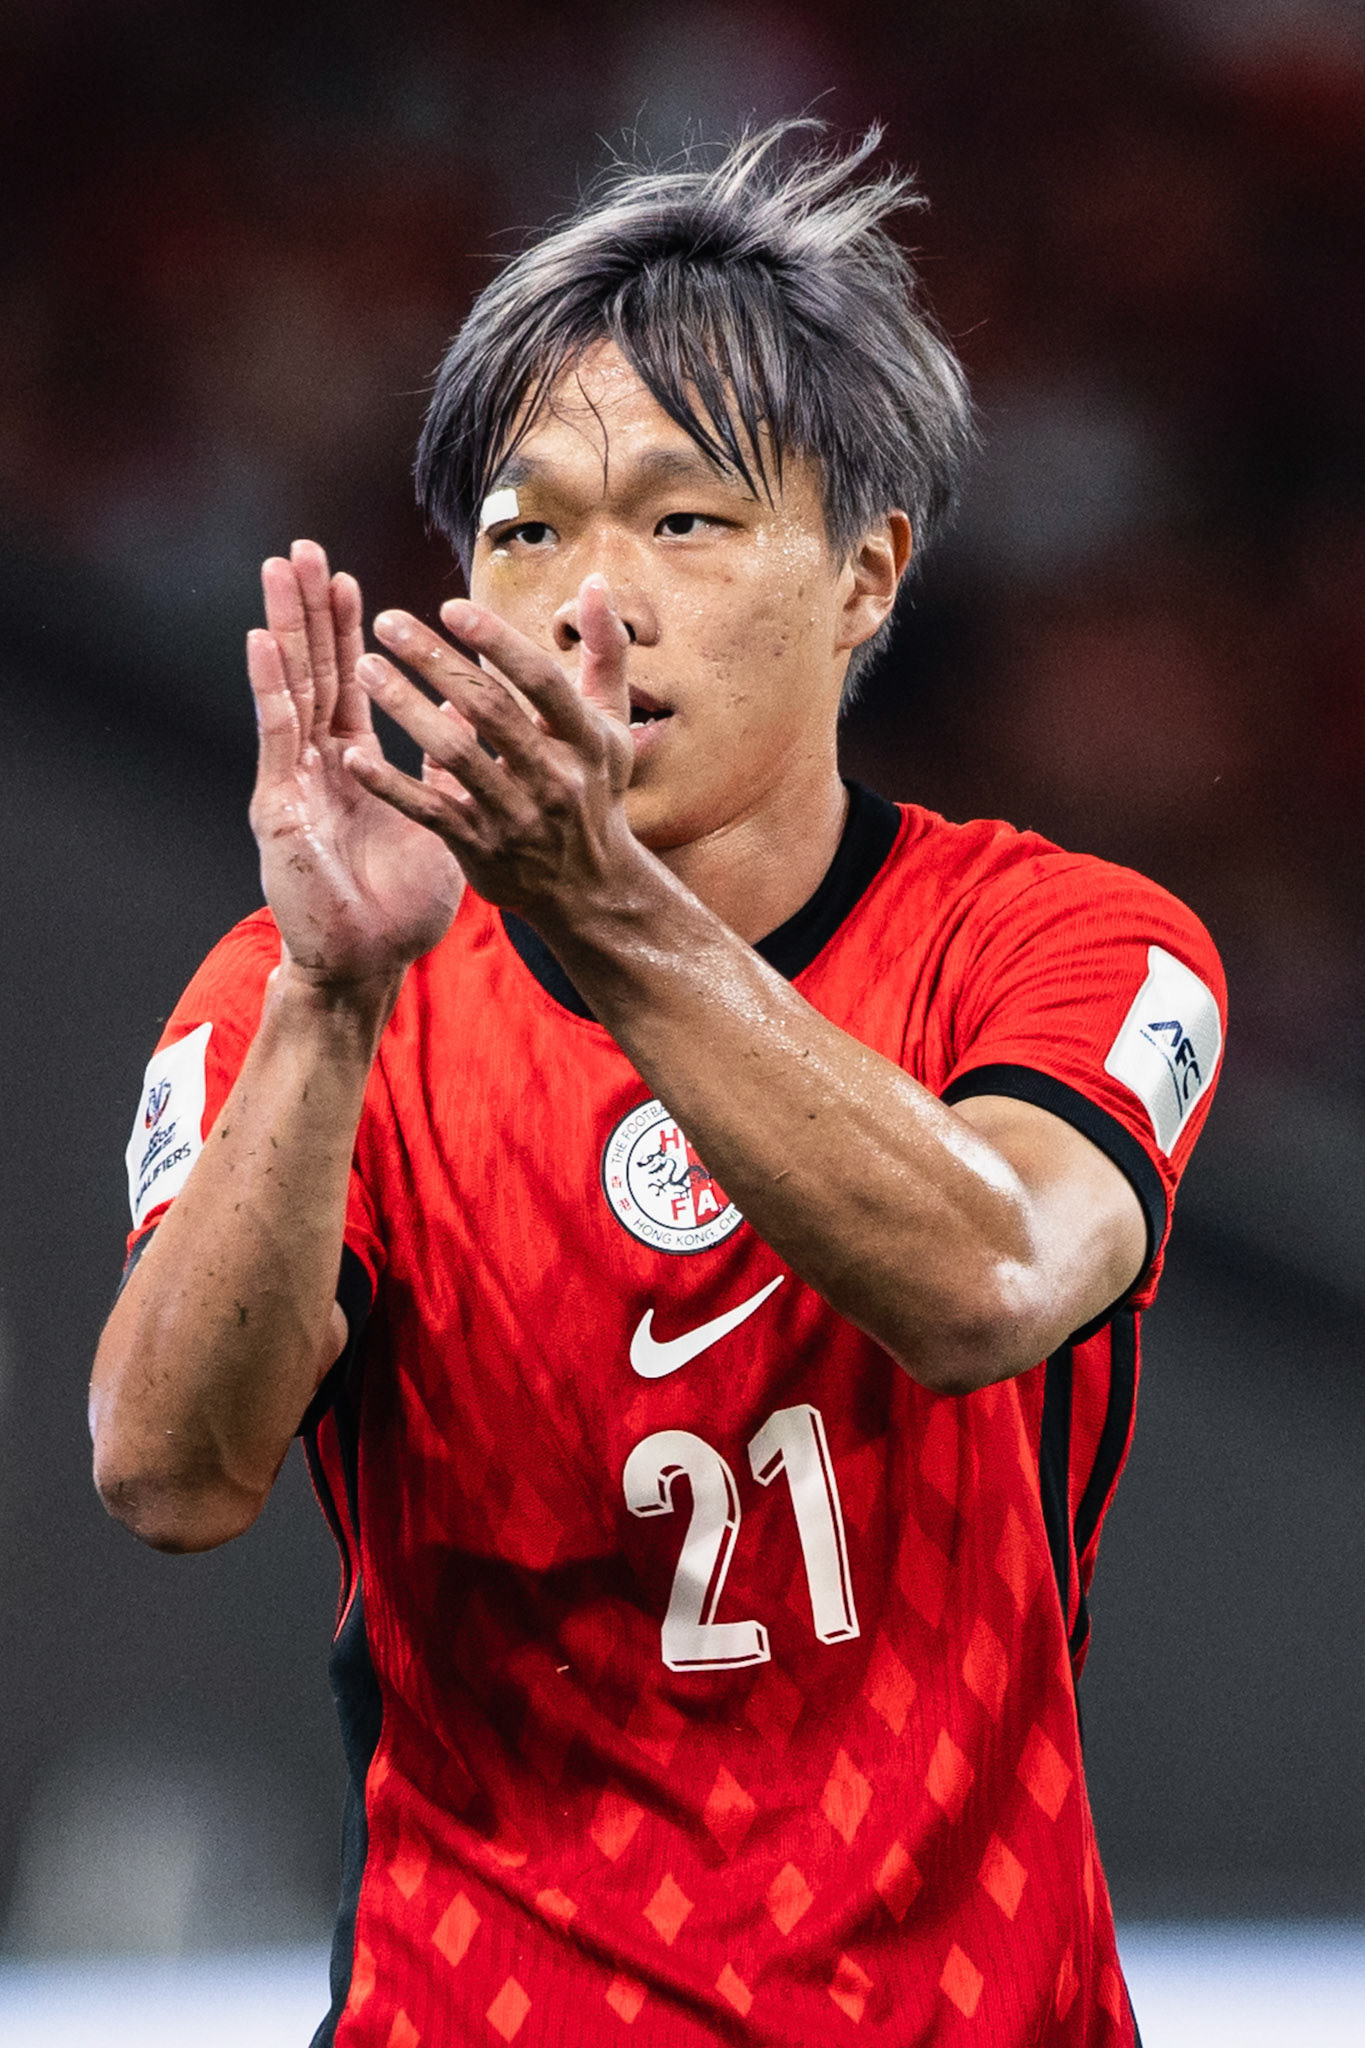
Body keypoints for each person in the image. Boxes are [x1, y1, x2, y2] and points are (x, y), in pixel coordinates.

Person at [90, 125, 1223, 2046]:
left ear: (868, 575)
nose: (587, 605)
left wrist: (603, 913)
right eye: (526, 532)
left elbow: (994, 1281)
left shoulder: (1063, 944)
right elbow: (167, 1475)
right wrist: (325, 1005)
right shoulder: (317, 987)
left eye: (682, 525)